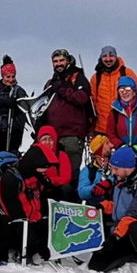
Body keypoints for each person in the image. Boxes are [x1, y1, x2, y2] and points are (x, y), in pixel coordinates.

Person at [87, 146, 137, 273]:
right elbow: (119, 205)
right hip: (121, 230)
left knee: (136, 226)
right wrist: (103, 206)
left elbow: (133, 215)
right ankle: (128, 254)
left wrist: (115, 238)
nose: (113, 172)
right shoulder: (122, 180)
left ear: (126, 167)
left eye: (115, 169)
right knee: (96, 266)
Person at [0, 143, 57, 266]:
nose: (45, 171)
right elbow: (16, 216)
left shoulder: (36, 177)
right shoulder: (10, 179)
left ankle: (29, 249)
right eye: (43, 167)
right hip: (8, 225)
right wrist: (38, 244)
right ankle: (2, 259)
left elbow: (40, 208)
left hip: (27, 223)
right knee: (4, 223)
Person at [39, 49, 93, 187]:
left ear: (68, 61)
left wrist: (62, 89)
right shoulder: (50, 82)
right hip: (53, 136)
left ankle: (72, 204)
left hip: (72, 135)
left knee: (71, 174)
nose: (58, 64)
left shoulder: (78, 77)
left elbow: (82, 98)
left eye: (61, 60)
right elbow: (43, 106)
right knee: (54, 173)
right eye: (55, 61)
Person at [90, 46, 137, 136]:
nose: (108, 59)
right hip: (102, 128)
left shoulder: (127, 73)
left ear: (116, 57)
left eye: (111, 56)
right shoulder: (96, 77)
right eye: (105, 56)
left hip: (124, 126)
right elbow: (92, 102)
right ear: (101, 58)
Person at [0, 55, 28, 155]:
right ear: (3, 76)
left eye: (13, 76)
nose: (11, 79)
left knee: (11, 155)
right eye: (8, 77)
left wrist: (16, 105)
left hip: (13, 130)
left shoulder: (18, 91)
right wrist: (1, 102)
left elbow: (26, 106)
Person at [105, 76, 137, 150]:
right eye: (121, 90)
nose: (124, 92)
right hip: (122, 150)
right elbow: (111, 134)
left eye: (127, 89)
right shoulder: (115, 112)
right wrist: (121, 146)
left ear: (134, 92)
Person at [78, 134, 113, 206]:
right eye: (107, 143)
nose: (111, 145)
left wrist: (109, 182)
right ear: (99, 149)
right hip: (96, 211)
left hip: (113, 208)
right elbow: (82, 192)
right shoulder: (88, 170)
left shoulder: (115, 165)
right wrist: (96, 188)